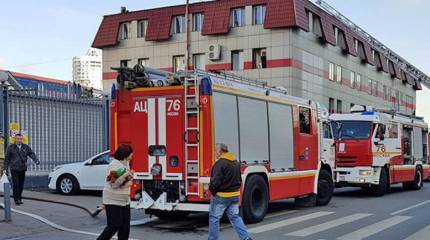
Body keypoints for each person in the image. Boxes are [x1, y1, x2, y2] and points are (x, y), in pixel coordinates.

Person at [208, 143, 252, 240]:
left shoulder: (219, 163)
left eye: (215, 150)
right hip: (235, 195)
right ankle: (245, 238)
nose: (215, 152)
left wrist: (212, 191)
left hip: (221, 196)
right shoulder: (236, 162)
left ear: (220, 151)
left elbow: (215, 182)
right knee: (235, 217)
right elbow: (239, 179)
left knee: (214, 218)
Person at [97, 144, 134, 240]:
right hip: (112, 200)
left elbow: (125, 181)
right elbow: (113, 184)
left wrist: (128, 178)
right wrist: (126, 176)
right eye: (131, 153)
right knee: (114, 225)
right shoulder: (114, 165)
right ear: (125, 154)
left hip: (125, 200)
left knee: (125, 227)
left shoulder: (126, 163)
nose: (132, 155)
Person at [3, 133, 40, 205]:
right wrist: (5, 168)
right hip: (14, 169)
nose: (19, 140)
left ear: (22, 139)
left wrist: (36, 160)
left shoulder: (25, 147)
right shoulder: (10, 147)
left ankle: (19, 198)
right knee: (16, 184)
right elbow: (7, 158)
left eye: (20, 139)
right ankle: (16, 199)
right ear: (15, 139)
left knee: (21, 184)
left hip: (23, 168)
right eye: (18, 139)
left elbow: (31, 153)